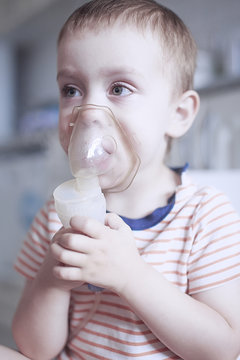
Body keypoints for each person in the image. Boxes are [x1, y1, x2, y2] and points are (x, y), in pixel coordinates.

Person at [12, 0, 240, 359]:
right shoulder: (56, 217)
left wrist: (131, 276)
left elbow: (223, 350)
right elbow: (34, 350)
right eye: (71, 89)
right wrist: (51, 280)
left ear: (178, 114)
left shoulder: (204, 216)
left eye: (119, 88)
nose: (87, 113)